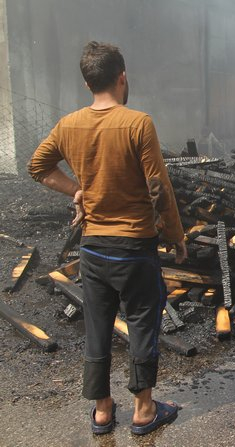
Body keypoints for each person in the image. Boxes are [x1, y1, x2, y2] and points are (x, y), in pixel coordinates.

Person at [28, 41, 186, 436]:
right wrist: (175, 235)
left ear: (87, 83)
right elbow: (158, 186)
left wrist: (76, 190)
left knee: (98, 326)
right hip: (135, 248)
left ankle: (101, 412)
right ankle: (144, 410)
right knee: (142, 324)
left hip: (94, 248)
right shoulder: (138, 123)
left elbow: (38, 167)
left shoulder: (68, 125)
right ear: (122, 77)